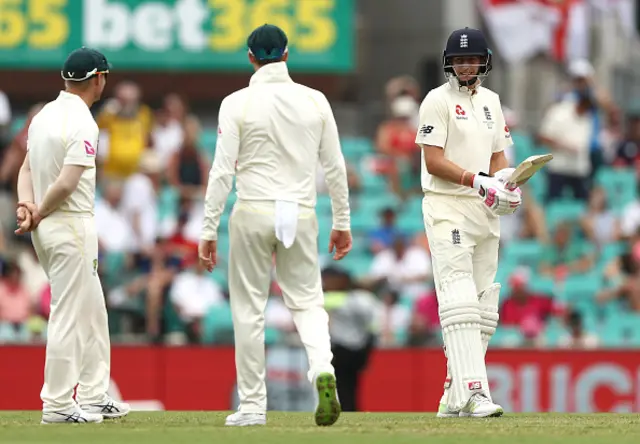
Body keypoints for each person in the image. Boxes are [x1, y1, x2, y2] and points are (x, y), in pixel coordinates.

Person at [198, 24, 351, 427]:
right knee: (307, 302)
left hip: (252, 210)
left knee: (249, 310)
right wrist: (343, 221)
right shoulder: (315, 100)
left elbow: (220, 173)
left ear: (251, 57)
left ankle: (252, 407)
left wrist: (208, 229)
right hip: (298, 211)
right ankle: (323, 369)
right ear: (286, 55)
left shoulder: (236, 103)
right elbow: (334, 168)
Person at [14, 47, 130, 424]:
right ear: (98, 79)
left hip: (47, 226)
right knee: (69, 314)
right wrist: (40, 210)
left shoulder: (42, 116)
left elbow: (27, 170)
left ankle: (95, 395)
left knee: (93, 310)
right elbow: (66, 182)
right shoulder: (84, 121)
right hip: (69, 224)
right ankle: (58, 403)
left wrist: (25, 206)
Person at [414, 27, 522, 418]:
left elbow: (497, 160)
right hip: (448, 205)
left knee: (482, 307)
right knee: (458, 298)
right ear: (449, 63)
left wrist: (505, 184)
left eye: (470, 59)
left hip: (483, 211)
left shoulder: (493, 101)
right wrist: (477, 180)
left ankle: (451, 396)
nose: (464, 65)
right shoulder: (436, 101)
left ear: (483, 62)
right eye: (458, 60)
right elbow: (433, 161)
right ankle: (475, 392)